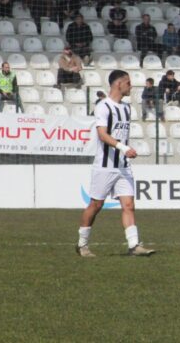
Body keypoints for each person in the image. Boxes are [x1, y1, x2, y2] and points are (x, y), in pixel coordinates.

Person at [76, 70, 155, 258]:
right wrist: (122, 147)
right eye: (128, 82)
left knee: (128, 205)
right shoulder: (103, 106)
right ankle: (82, 244)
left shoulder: (126, 108)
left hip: (123, 165)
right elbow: (102, 135)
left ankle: (134, 245)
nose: (131, 86)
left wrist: (124, 151)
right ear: (118, 84)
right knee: (96, 205)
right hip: (105, 166)